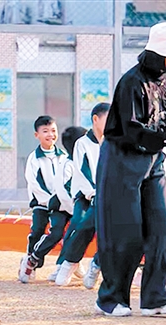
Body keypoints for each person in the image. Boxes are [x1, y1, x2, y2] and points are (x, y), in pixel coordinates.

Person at [94, 22, 166, 317]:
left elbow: (161, 120)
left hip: (153, 161)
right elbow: (131, 129)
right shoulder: (131, 82)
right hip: (121, 160)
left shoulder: (164, 81)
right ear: (162, 54)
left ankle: (157, 297)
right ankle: (111, 299)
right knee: (124, 231)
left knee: (163, 228)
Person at [54, 102, 110, 287]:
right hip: (86, 196)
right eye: (107, 119)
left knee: (112, 230)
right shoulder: (82, 144)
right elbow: (83, 171)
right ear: (95, 119)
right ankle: (67, 264)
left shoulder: (113, 142)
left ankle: (97, 265)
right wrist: (93, 192)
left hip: (109, 197)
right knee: (81, 223)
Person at [18, 115, 69, 283]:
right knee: (38, 229)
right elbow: (35, 184)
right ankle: (30, 262)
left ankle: (65, 262)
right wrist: (49, 200)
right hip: (41, 203)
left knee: (58, 231)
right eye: (45, 131)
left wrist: (61, 200)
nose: (50, 135)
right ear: (37, 135)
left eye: (53, 131)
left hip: (60, 204)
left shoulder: (63, 156)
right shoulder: (34, 158)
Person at [45, 126, 88, 281]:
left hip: (73, 207)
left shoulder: (82, 161)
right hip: (63, 207)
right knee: (73, 229)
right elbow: (64, 191)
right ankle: (62, 265)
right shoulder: (68, 164)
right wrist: (74, 209)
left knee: (77, 229)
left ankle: (73, 262)